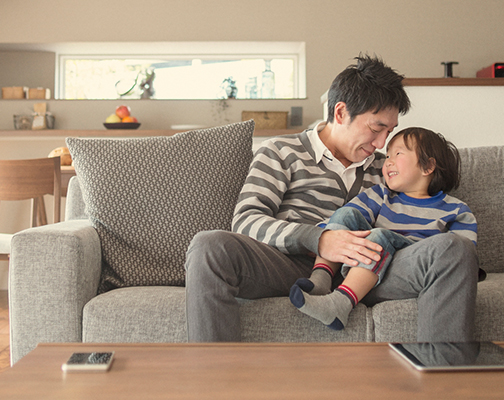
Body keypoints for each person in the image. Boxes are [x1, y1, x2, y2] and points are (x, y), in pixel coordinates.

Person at [184, 55, 479, 343]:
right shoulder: (281, 151)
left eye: (389, 132)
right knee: (209, 246)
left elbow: (423, 207)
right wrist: (320, 239)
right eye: (377, 128)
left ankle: (444, 381)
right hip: (293, 266)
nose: (381, 144)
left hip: (373, 270)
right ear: (340, 113)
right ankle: (214, 380)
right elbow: (247, 221)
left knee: (455, 248)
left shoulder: (388, 168)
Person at [291, 127, 477, 330]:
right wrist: (318, 237)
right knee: (347, 214)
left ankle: (341, 303)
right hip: (367, 267)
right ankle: (320, 280)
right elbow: (342, 221)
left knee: (380, 236)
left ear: (428, 166)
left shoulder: (456, 209)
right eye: (388, 155)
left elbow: (461, 260)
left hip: (409, 268)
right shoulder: (380, 194)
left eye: (398, 154)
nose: (388, 161)